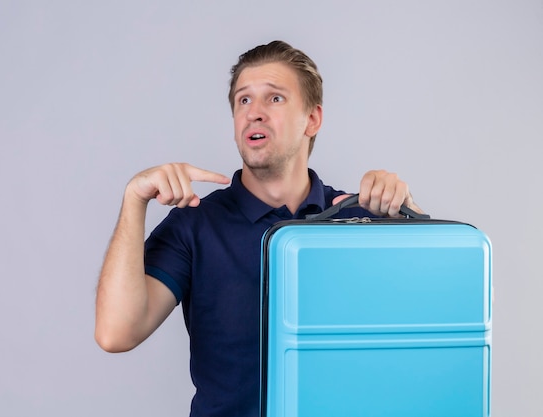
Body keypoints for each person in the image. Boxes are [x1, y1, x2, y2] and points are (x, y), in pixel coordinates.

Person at [95, 40, 423, 417]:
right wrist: (133, 199)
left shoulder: (365, 221)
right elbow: (115, 333)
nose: (254, 113)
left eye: (275, 99)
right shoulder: (195, 224)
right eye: (244, 101)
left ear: (312, 120)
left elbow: (435, 323)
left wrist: (411, 216)